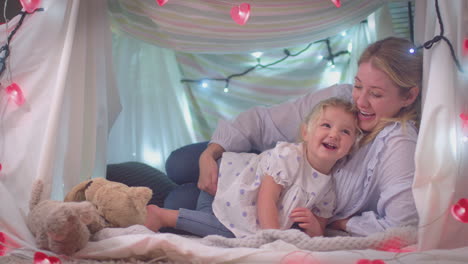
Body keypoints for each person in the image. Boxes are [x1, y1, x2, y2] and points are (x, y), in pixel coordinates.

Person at [163, 36, 422, 236]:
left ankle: (145, 201)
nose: (361, 101)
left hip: (279, 203)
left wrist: (341, 222)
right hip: (264, 166)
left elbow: (402, 224)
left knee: (177, 199)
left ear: (409, 96)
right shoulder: (342, 98)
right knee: (179, 164)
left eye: (376, 94)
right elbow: (266, 121)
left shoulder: (398, 142)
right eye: (358, 86)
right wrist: (211, 152)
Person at [145, 98, 360, 237]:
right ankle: (164, 216)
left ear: (351, 147)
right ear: (305, 133)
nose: (334, 134)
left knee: (208, 220)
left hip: (238, 201)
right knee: (229, 232)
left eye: (345, 132)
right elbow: (266, 198)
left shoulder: (329, 188)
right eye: (326, 125)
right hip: (225, 179)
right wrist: (273, 237)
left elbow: (319, 229)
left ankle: (172, 213)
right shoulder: (289, 157)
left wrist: (314, 227)